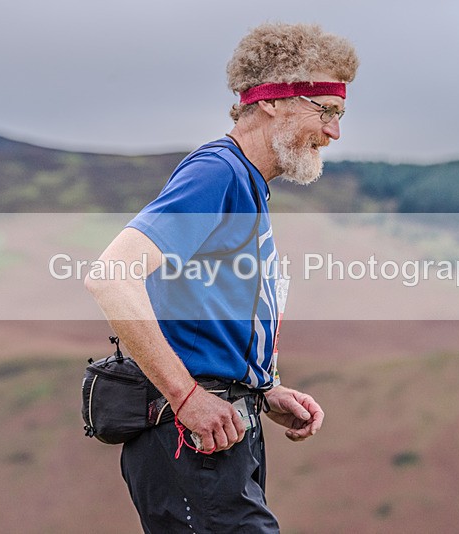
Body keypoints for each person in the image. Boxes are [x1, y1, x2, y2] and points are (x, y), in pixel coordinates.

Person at [85, 22, 358, 533]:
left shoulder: (246, 183)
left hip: (222, 435)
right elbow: (111, 276)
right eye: (326, 111)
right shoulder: (218, 173)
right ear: (271, 100)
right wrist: (187, 396)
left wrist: (263, 389)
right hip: (193, 439)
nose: (334, 132)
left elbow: (206, 312)